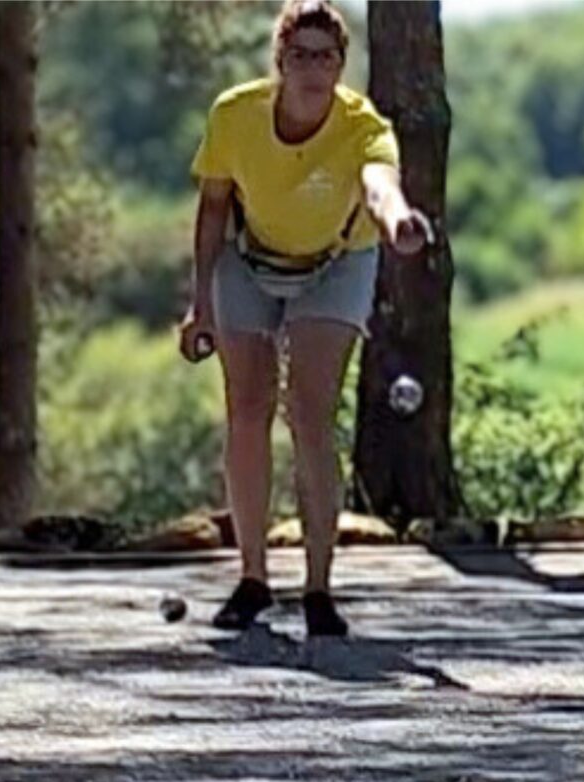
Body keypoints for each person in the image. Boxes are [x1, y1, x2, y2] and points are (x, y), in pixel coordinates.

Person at [179, 0, 431, 638]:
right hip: (248, 258)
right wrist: (199, 303)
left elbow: (380, 185)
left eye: (327, 56)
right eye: (301, 55)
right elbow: (212, 210)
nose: (314, 68)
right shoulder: (235, 115)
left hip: (335, 262)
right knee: (249, 406)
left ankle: (319, 588)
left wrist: (399, 222)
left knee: (311, 411)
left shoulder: (363, 126)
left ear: (342, 64)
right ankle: (253, 577)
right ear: (280, 62)